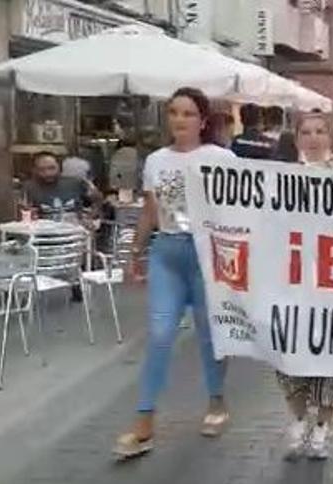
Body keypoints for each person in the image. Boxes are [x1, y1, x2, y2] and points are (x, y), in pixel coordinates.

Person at [113, 87, 233, 460]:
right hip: (167, 253)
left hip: (206, 255)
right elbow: (150, 211)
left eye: (187, 113)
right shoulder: (156, 161)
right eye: (173, 113)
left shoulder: (222, 158)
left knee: (210, 334)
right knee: (161, 335)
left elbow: (240, 208)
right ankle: (144, 420)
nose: (179, 120)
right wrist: (135, 252)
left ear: (202, 120)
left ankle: (216, 401)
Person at [277, 109, 333, 461]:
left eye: (321, 131)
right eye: (306, 131)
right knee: (289, 357)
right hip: (293, 284)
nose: (313, 137)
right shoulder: (281, 178)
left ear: (331, 137)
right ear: (297, 139)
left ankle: (322, 427)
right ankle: (297, 418)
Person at [23, 151, 102, 222]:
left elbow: (97, 199)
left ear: (59, 167)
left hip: (75, 231)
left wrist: (91, 217)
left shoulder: (76, 182)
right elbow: (25, 211)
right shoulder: (29, 187)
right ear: (35, 170)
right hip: (44, 233)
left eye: (51, 168)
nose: (47, 173)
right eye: (42, 170)